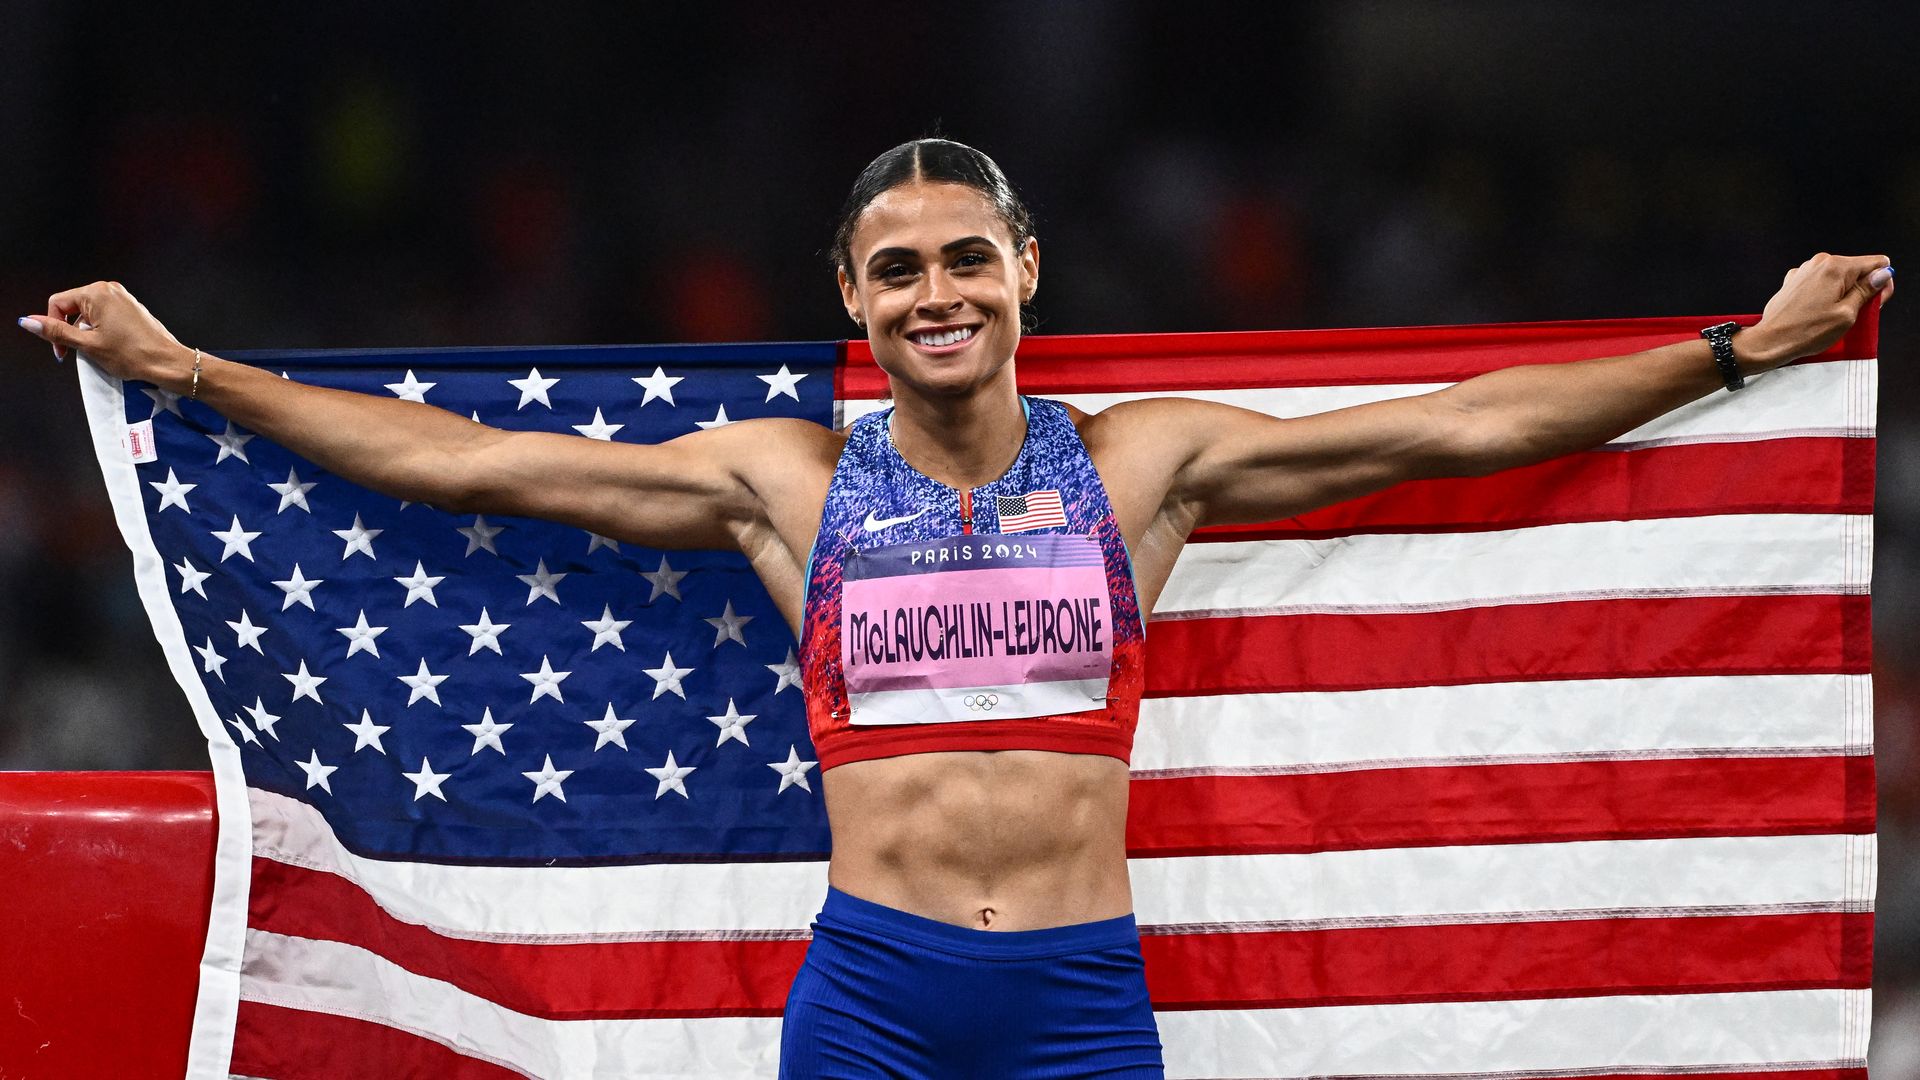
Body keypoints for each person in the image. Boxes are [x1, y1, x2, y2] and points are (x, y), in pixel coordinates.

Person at [17, 138, 1894, 1079]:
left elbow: (1461, 427)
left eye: (967, 259)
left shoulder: (1142, 468)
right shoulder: (789, 485)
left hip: (1079, 994)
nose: (938, 292)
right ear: (854, 296)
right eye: (899, 268)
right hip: (878, 996)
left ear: (1025, 272)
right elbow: (461, 463)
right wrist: (198, 378)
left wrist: (1738, 349)